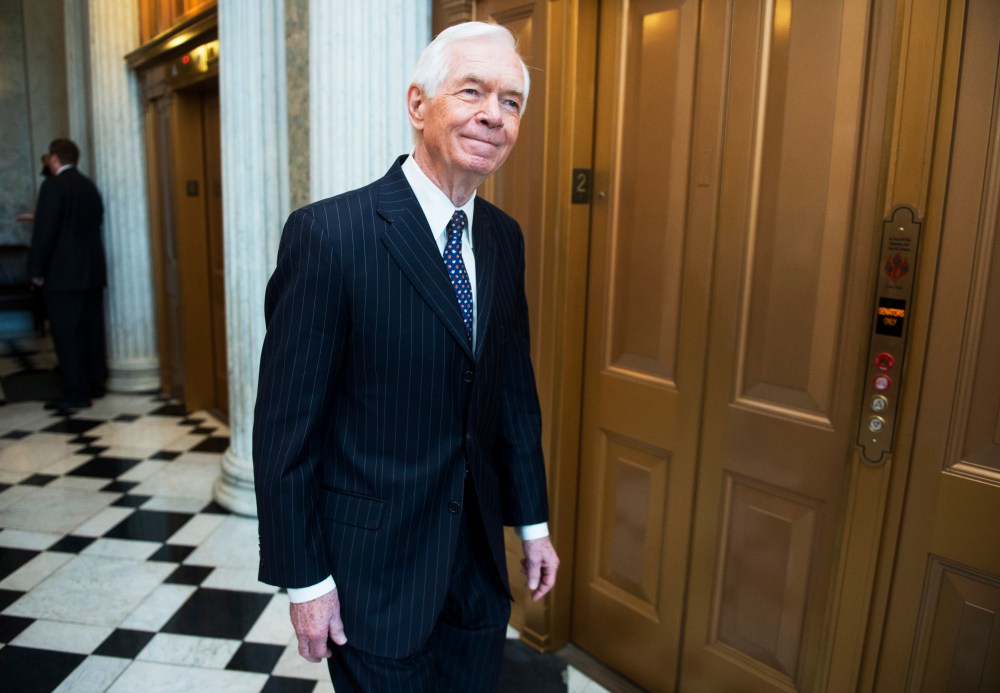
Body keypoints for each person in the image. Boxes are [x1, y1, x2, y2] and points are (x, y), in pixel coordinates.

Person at [253, 21, 559, 692]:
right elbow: (286, 432)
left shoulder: (504, 240)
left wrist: (531, 520)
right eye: (472, 91)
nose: (493, 115)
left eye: (511, 102)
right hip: (375, 574)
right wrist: (305, 577)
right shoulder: (331, 236)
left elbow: (511, 390)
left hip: (475, 569)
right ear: (418, 104)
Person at [28, 139, 108, 414]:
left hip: (63, 277)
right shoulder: (88, 185)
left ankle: (76, 393)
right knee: (91, 332)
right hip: (92, 274)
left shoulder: (53, 186)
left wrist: (36, 271)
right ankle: (96, 383)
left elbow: (45, 233)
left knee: (67, 335)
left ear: (54, 159)